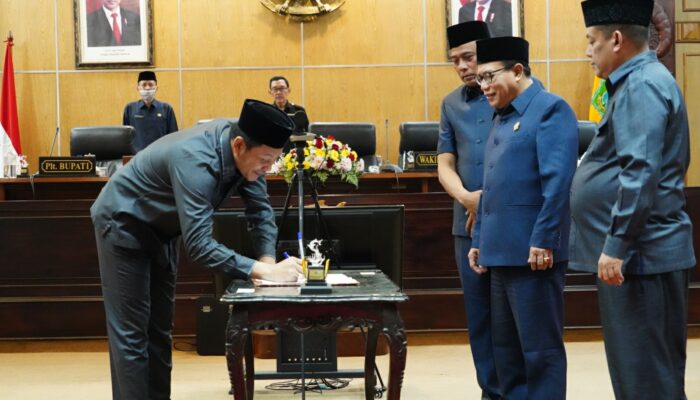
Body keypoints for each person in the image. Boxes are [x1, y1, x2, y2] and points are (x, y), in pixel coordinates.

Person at [91, 99, 304, 399]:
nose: (268, 168)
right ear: (240, 145)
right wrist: (261, 269)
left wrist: (267, 264)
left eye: (273, 160)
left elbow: (260, 212)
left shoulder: (248, 154)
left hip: (162, 231)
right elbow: (200, 246)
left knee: (160, 335)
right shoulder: (196, 160)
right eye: (266, 160)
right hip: (122, 223)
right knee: (132, 338)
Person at [570, 1, 695, 398]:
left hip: (641, 257)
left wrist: (616, 244)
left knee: (647, 380)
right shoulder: (636, 82)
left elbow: (640, 172)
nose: (588, 51)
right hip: (638, 256)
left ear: (617, 40)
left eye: (592, 42)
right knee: (639, 376)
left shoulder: (641, 85)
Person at [468, 36, 578, 399]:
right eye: (479, 79)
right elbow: (491, 187)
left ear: (517, 70)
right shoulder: (502, 117)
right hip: (499, 254)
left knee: (540, 353)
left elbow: (558, 183)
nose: (483, 87)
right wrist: (479, 239)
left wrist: (544, 238)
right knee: (507, 356)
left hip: (534, 255)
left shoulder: (550, 109)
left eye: (489, 77)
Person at [436, 21, 500, 400]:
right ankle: (489, 391)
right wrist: (466, 198)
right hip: (467, 224)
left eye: (468, 57)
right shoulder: (450, 104)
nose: (461, 67)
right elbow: (445, 162)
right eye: (455, 60)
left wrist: (488, 199)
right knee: (478, 317)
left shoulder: (509, 92)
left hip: (509, 220)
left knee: (509, 316)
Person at [123, 71, 178, 152]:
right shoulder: (130, 108)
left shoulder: (166, 109)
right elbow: (125, 138)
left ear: (156, 88)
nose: (147, 88)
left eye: (151, 85)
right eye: (144, 85)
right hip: (136, 157)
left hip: (160, 156)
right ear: (138, 88)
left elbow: (173, 137)